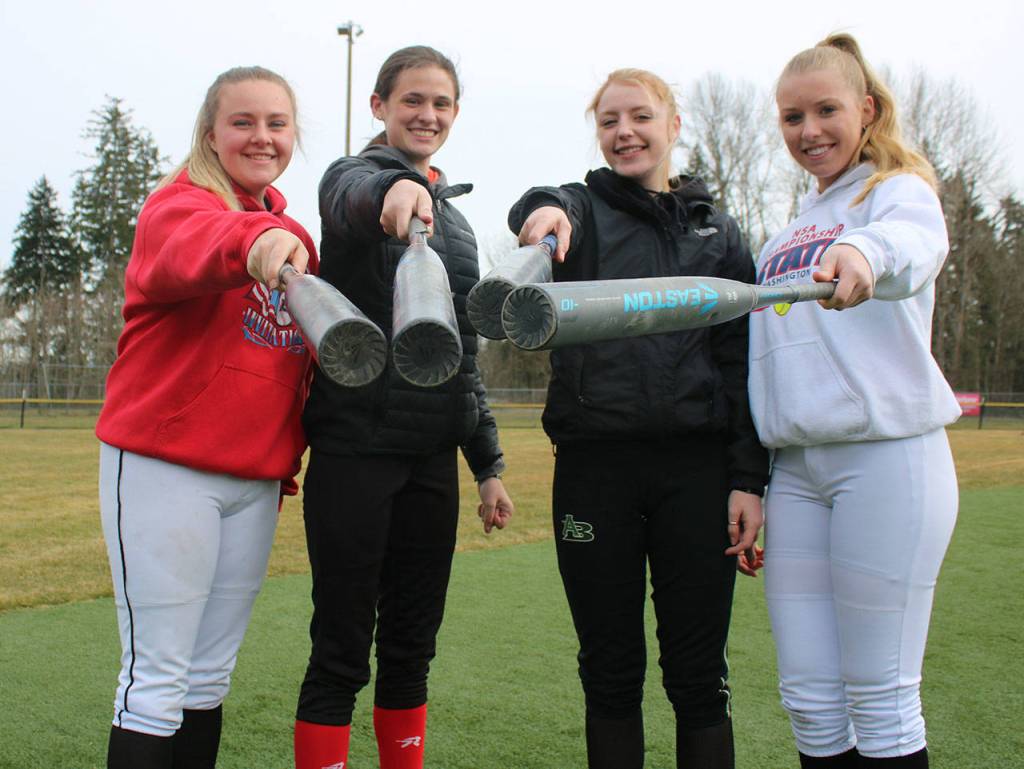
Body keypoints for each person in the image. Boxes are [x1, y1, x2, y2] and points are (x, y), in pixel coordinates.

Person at [507, 69, 769, 769]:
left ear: (673, 125)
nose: (624, 132)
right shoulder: (583, 213)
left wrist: (748, 478)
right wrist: (542, 212)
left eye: (641, 117)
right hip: (596, 474)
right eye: (609, 121)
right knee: (610, 670)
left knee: (699, 675)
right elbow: (544, 202)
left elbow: (740, 360)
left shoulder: (718, 231)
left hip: (697, 474)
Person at [293, 45, 513, 769]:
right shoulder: (352, 178)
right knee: (341, 650)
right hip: (356, 455)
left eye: (441, 103)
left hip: (431, 463)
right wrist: (393, 189)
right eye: (412, 100)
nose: (427, 114)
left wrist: (487, 465)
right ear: (379, 106)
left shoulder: (459, 228)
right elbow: (352, 197)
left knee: (412, 647)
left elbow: (463, 358)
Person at [748, 34, 961, 768]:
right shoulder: (783, 233)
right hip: (796, 471)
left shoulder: (895, 190)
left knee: (881, 698)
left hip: (885, 459)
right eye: (791, 117)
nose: (808, 130)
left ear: (866, 110)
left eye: (826, 111)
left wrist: (865, 251)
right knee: (809, 700)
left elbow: (913, 242)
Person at [95, 66, 317, 769]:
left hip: (252, 479)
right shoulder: (178, 205)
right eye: (242, 122)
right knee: (156, 682)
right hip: (168, 468)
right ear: (211, 134)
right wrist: (255, 242)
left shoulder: (292, 232)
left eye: (276, 123)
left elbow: (291, 368)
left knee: (208, 678)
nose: (262, 136)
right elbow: (199, 246)